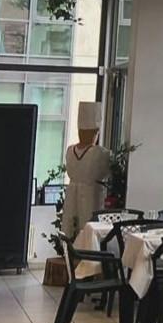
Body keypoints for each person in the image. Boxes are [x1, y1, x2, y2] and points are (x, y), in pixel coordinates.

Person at [61, 101, 112, 237]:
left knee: (71, 231)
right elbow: (108, 173)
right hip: (92, 198)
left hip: (72, 198)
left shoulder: (70, 150)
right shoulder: (100, 153)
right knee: (89, 234)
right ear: (96, 132)